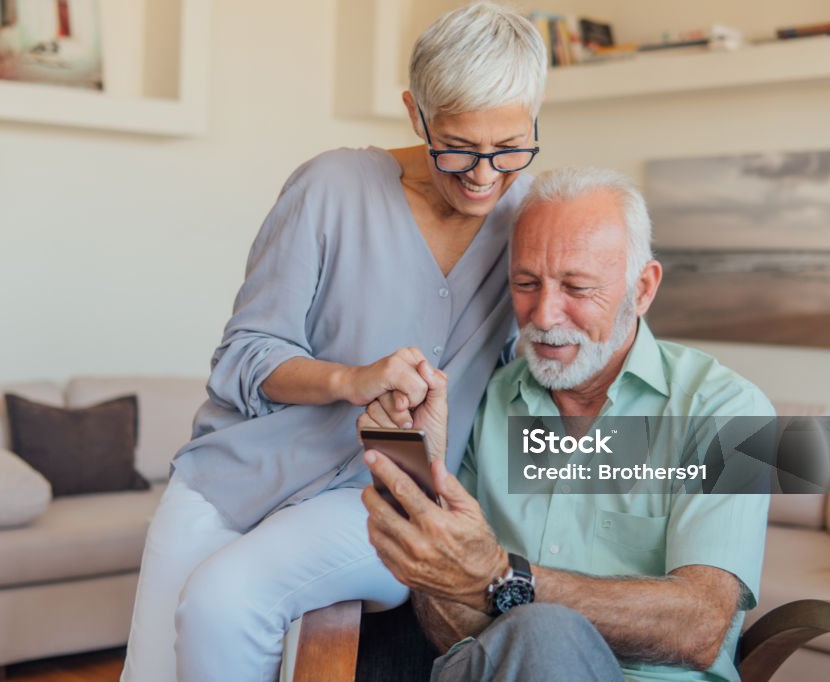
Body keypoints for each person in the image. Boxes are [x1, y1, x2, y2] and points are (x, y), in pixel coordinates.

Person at [120, 4, 548, 681]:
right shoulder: (331, 186)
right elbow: (244, 356)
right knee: (150, 673)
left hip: (383, 495)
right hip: (234, 474)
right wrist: (350, 381)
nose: (485, 175)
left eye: (510, 149)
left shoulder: (531, 220)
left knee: (222, 605)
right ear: (417, 115)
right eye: (459, 148)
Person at [360, 167, 774, 682]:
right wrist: (422, 480)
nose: (545, 314)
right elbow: (453, 631)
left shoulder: (724, 409)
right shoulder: (487, 398)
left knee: (545, 631)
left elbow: (700, 625)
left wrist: (501, 578)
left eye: (576, 287)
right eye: (525, 283)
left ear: (642, 289)